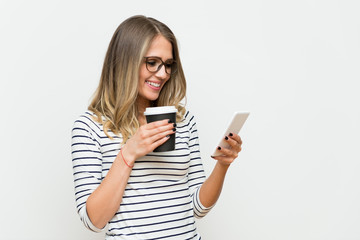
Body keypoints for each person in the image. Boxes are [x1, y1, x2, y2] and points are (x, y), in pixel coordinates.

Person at [71, 15, 243, 240]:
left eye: (168, 65)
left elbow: (197, 207)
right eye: (152, 62)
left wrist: (222, 165)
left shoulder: (183, 121)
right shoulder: (90, 128)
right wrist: (129, 152)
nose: (163, 74)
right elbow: (94, 221)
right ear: (126, 61)